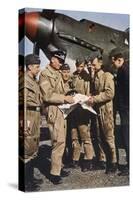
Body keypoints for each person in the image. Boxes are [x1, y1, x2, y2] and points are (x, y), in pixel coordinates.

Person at [39, 50, 74, 184]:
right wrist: (65, 98)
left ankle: (57, 169)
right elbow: (47, 95)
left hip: (61, 109)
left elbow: (62, 89)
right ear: (52, 59)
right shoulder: (45, 74)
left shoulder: (57, 73)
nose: (61, 64)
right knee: (58, 141)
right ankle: (54, 174)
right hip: (54, 109)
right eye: (59, 61)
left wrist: (73, 95)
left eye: (62, 61)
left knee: (61, 141)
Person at [88, 53, 117, 174]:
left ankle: (113, 163)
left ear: (100, 62)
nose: (92, 66)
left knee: (108, 137)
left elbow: (110, 93)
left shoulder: (107, 76)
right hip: (98, 110)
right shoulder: (95, 76)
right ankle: (102, 160)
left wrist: (95, 98)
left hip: (106, 110)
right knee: (99, 136)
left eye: (94, 64)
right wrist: (91, 96)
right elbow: (96, 92)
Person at [19, 54, 43, 191]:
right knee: (26, 147)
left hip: (35, 115)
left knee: (33, 145)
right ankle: (26, 182)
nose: (38, 69)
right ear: (29, 67)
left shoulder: (33, 80)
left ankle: (30, 178)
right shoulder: (24, 81)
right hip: (27, 115)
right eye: (36, 66)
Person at [69, 58, 95, 172]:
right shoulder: (73, 76)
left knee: (85, 136)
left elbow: (89, 93)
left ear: (84, 66)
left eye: (81, 66)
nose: (79, 68)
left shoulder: (87, 77)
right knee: (74, 136)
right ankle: (75, 159)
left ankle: (88, 160)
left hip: (83, 110)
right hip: (73, 110)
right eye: (77, 66)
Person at [111, 53, 129, 176]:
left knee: (127, 136)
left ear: (119, 60)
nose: (113, 64)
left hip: (126, 109)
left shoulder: (125, 72)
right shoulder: (123, 70)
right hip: (124, 109)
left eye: (114, 62)